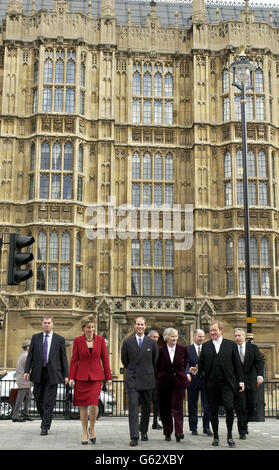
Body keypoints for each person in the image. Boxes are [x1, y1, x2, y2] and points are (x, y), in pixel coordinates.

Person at [190, 321, 244, 447]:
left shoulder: (231, 345)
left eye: (215, 330)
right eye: (211, 330)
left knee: (229, 408)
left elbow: (237, 366)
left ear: (221, 331)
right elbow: (201, 365)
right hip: (211, 384)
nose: (212, 332)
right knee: (212, 410)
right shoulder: (206, 346)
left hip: (227, 384)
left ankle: (230, 436)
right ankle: (215, 437)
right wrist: (196, 370)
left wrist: (241, 381)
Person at [69, 315, 112, 445]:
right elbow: (74, 360)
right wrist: (71, 377)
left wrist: (108, 377)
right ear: (83, 328)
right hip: (81, 377)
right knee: (83, 405)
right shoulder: (77, 341)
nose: (91, 329)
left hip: (96, 377)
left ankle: (92, 429)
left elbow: (105, 359)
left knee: (94, 404)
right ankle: (84, 433)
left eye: (93, 327)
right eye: (88, 327)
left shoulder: (100, 341)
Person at [24, 315, 68, 436]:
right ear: (42, 324)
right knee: (38, 398)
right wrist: (27, 371)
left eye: (49, 322)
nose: (47, 325)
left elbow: (63, 358)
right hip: (38, 372)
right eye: (45, 323)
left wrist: (66, 375)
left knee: (49, 401)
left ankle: (45, 426)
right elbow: (30, 356)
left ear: (52, 324)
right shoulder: (35, 338)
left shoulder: (59, 339)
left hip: (53, 374)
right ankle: (45, 418)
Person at [121, 316, 158, 446]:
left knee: (147, 407)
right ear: (134, 326)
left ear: (145, 326)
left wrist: (147, 371)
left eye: (142, 324)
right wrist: (132, 371)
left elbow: (154, 361)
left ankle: (143, 431)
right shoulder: (127, 342)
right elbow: (124, 360)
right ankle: (134, 436)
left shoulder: (152, 343)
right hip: (133, 378)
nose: (140, 326)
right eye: (138, 324)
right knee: (133, 407)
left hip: (147, 379)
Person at [157, 327, 189, 442]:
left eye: (176, 336)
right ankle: (167, 432)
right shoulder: (160, 350)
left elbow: (184, 364)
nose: (174, 338)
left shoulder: (183, 349)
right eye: (172, 336)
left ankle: (179, 432)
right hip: (164, 383)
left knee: (178, 408)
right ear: (166, 338)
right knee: (165, 408)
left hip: (179, 382)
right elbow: (157, 367)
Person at [233, 328, 264, 439]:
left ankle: (244, 424)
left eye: (240, 335)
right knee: (240, 406)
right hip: (237, 381)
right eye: (236, 336)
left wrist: (260, 375)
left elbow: (259, 362)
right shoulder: (232, 348)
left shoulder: (253, 348)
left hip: (251, 381)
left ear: (244, 336)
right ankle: (242, 430)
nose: (238, 337)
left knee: (251, 405)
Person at [186, 329, 211, 436]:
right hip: (193, 381)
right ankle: (193, 427)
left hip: (206, 381)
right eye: (199, 336)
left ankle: (206, 427)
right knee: (192, 405)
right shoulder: (188, 349)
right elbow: (185, 363)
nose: (201, 338)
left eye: (203, 337)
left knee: (207, 406)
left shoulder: (208, 349)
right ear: (194, 336)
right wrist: (188, 371)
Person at [12, 340, 33, 422]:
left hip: (24, 380)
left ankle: (25, 414)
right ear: (28, 347)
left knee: (28, 397)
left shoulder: (23, 354)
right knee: (20, 398)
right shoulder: (27, 355)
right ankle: (15, 416)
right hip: (24, 380)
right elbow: (29, 368)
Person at [147, 330, 162, 430]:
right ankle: (144, 424)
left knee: (156, 402)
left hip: (156, 379)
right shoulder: (144, 347)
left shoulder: (160, 349)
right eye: (154, 337)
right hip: (146, 378)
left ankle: (155, 422)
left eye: (157, 337)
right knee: (146, 402)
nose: (156, 339)